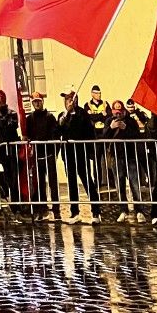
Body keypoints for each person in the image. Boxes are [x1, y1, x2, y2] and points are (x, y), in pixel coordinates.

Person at [57, 90, 101, 224]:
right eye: (67, 100)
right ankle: (75, 212)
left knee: (88, 181)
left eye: (71, 99)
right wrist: (66, 115)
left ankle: (96, 212)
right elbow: (58, 129)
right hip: (68, 153)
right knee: (71, 183)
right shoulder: (62, 115)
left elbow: (88, 131)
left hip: (81, 153)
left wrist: (91, 152)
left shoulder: (82, 114)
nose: (69, 102)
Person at [105, 100, 146, 223]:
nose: (118, 115)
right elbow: (104, 137)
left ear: (124, 111)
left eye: (120, 111)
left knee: (134, 184)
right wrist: (111, 128)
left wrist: (126, 128)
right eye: (116, 112)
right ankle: (123, 210)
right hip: (116, 157)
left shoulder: (131, 121)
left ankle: (139, 210)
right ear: (113, 111)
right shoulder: (109, 121)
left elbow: (137, 136)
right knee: (120, 184)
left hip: (130, 156)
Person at [24, 92, 60, 221]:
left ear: (42, 102)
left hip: (49, 154)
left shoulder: (50, 117)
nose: (37, 103)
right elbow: (27, 136)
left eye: (39, 101)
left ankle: (56, 210)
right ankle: (41, 209)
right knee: (39, 184)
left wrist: (55, 153)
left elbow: (55, 135)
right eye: (35, 102)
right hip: (37, 156)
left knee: (53, 183)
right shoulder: (30, 119)